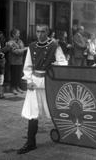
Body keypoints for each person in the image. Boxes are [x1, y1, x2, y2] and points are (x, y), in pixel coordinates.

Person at [17, 24, 67, 154]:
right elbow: (27, 65)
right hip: (34, 82)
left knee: (55, 110)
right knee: (32, 113)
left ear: (48, 32)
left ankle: (64, 134)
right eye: (38, 31)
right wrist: (28, 80)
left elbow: (63, 63)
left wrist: (55, 67)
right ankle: (30, 142)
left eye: (43, 32)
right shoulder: (32, 46)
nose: (40, 34)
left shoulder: (54, 45)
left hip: (49, 82)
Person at [7, 28, 28, 95]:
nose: (19, 34)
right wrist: (24, 49)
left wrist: (22, 50)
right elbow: (15, 51)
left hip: (20, 61)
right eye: (18, 33)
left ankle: (17, 87)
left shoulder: (20, 41)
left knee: (19, 75)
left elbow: (20, 50)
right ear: (13, 35)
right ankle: (13, 88)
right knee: (14, 75)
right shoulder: (10, 42)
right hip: (13, 62)